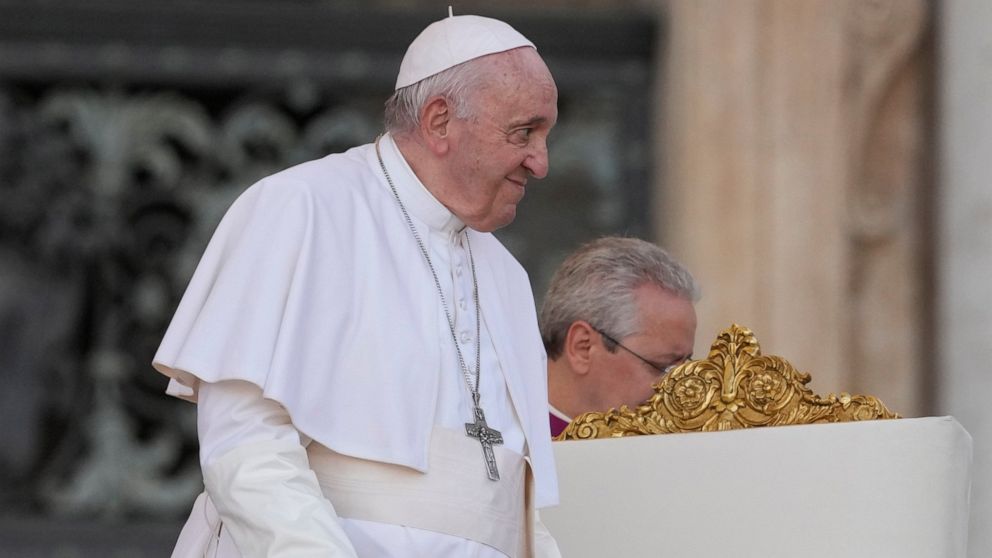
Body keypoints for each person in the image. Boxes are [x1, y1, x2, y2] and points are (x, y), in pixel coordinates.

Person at [152, 12, 561, 557]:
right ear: (440, 121)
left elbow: (514, 505)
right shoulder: (302, 208)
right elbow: (246, 449)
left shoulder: (506, 275)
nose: (541, 162)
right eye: (524, 132)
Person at [539, 237, 699, 437]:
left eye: (685, 367)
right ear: (583, 347)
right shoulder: (505, 446)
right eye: (661, 366)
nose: (680, 389)